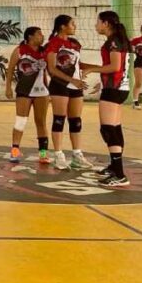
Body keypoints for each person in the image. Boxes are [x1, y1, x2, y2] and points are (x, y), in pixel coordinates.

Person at [81, 11, 133, 187]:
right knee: (114, 128)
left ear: (106, 23)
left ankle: (119, 174)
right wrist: (100, 80)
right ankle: (114, 167)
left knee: (108, 130)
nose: (96, 25)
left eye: (98, 22)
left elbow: (114, 66)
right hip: (118, 88)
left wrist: (91, 71)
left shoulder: (113, 42)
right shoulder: (116, 40)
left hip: (114, 89)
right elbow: (114, 68)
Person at [44, 15, 91, 170]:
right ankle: (58, 155)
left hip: (76, 85)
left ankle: (77, 156)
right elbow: (52, 68)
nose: (75, 26)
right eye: (72, 23)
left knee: (76, 121)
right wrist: (72, 81)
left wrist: (97, 67)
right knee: (59, 119)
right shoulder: (53, 43)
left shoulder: (75, 44)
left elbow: (78, 64)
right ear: (63, 26)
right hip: (60, 85)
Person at [5, 27, 50, 163]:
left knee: (41, 122)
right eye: (39, 34)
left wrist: (50, 90)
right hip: (24, 90)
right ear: (30, 36)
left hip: (42, 91)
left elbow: (47, 72)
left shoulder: (44, 52)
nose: (42, 36)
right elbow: (11, 69)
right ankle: (15, 151)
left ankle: (43, 154)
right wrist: (8, 88)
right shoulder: (20, 50)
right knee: (21, 120)